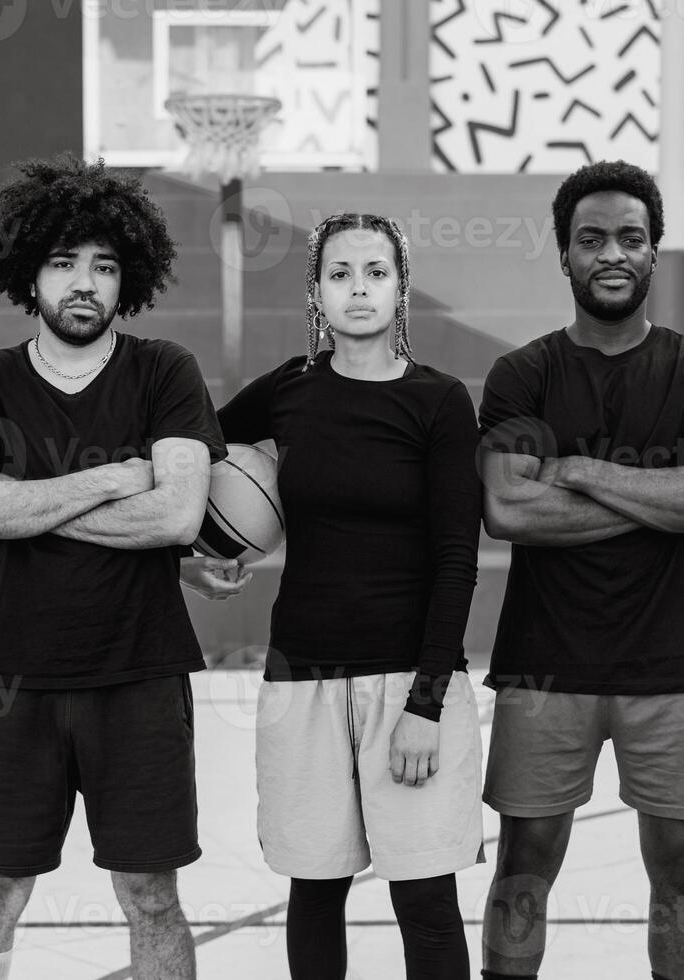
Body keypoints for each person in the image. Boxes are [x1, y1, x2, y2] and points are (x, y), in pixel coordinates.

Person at [0, 155, 223, 980]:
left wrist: (33, 503)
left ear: (127, 277)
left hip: (140, 679)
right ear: (30, 273)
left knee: (151, 896)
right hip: (15, 682)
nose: (83, 282)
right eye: (63, 263)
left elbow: (177, 515)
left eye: (102, 264)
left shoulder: (165, 370)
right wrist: (113, 476)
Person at [182, 212, 484, 979]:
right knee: (314, 892)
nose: (358, 289)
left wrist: (426, 703)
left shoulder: (440, 401)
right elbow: (192, 452)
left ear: (401, 287)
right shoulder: (289, 391)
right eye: (340, 274)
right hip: (302, 676)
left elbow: (458, 560)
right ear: (316, 292)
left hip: (407, 680)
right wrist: (190, 553)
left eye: (376, 272)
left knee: (425, 899)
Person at [476, 161, 684, 980]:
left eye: (630, 238)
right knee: (524, 865)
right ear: (562, 253)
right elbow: (508, 510)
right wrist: (667, 495)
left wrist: (583, 471)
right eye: (591, 238)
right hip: (544, 665)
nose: (612, 253)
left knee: (680, 875)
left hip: (672, 665)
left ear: (653, 253)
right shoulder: (523, 373)